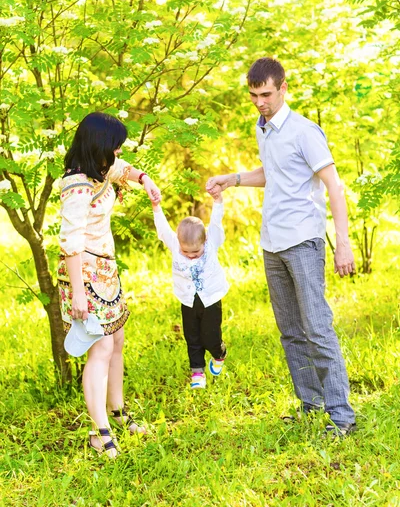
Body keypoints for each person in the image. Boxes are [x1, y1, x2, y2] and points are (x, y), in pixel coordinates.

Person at [206, 57, 356, 436]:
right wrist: (234, 178)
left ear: (283, 89)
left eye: (266, 94)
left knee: (317, 328)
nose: (260, 102)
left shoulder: (305, 132)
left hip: (303, 241)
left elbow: (334, 187)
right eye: (254, 95)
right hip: (272, 243)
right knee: (290, 330)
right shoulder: (264, 129)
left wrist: (343, 243)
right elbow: (272, 173)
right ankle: (311, 405)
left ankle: (342, 417)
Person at [57, 112, 161, 457]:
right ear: (98, 147)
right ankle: (99, 432)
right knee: (99, 348)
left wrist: (145, 179)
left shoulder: (100, 167)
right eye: (114, 148)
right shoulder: (76, 186)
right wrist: (79, 297)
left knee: (116, 338)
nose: (118, 154)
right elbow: (69, 242)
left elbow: (122, 169)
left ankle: (117, 414)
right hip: (83, 274)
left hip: (106, 270)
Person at [152, 188, 229, 389]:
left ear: (205, 242)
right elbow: (162, 230)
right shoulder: (175, 245)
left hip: (210, 298)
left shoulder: (212, 242)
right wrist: (156, 207)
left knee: (210, 336)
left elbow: (216, 223)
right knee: (192, 336)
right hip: (187, 299)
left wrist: (218, 201)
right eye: (186, 251)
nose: (191, 255)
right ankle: (197, 371)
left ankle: (219, 353)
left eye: (196, 251)